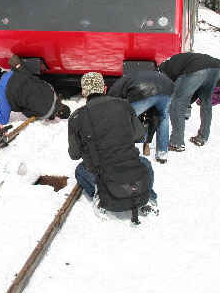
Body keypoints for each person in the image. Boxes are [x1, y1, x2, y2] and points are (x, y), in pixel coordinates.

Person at [68, 72, 158, 217]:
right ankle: (149, 197)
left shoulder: (76, 117)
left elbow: (74, 154)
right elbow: (140, 135)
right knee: (146, 163)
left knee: (80, 171)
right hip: (131, 165)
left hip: (102, 172)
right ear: (104, 88)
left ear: (84, 93)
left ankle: (100, 194)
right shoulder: (124, 105)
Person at [158, 53, 220, 151]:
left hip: (197, 69)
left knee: (176, 104)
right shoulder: (171, 62)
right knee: (206, 103)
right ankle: (203, 136)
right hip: (215, 68)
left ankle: (176, 142)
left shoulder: (162, 71)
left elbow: (172, 90)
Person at [108, 70, 174, 164]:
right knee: (164, 117)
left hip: (144, 91)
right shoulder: (138, 76)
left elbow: (113, 102)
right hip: (167, 89)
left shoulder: (118, 85)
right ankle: (162, 153)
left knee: (125, 117)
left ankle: (119, 151)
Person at [0, 55, 69, 125]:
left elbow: (32, 78)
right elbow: (25, 112)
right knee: (2, 120)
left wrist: (19, 66)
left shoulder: (51, 91)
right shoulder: (43, 113)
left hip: (10, 75)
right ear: (58, 116)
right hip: (6, 92)